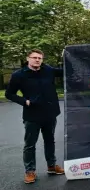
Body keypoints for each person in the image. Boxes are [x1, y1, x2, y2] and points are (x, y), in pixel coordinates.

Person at [5, 49, 65, 184]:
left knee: (50, 141)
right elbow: (9, 94)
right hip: (32, 115)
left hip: (50, 113)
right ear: (28, 59)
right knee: (30, 145)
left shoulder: (48, 70)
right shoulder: (18, 75)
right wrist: (24, 101)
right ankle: (30, 171)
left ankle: (51, 166)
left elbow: (65, 71)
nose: (37, 60)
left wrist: (69, 56)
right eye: (34, 57)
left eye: (40, 58)